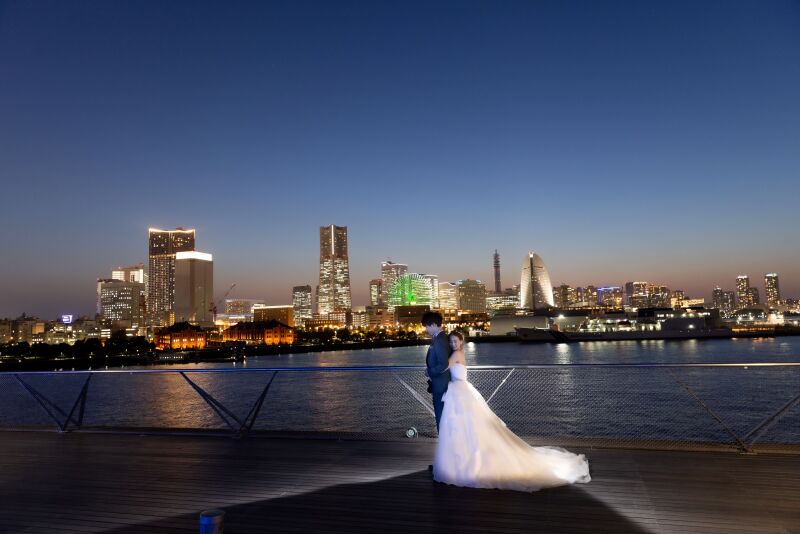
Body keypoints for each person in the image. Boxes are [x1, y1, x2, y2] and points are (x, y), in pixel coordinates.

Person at [433, 331, 591, 492]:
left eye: (455, 341)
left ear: (461, 342)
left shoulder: (456, 354)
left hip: (459, 391)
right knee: (467, 425)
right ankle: (465, 458)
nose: (453, 344)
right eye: (451, 342)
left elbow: (443, 366)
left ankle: (463, 461)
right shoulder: (459, 353)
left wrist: (429, 367)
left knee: (462, 425)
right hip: (461, 390)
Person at [422, 311, 452, 432]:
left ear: (434, 324)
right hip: (441, 382)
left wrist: (430, 372)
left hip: (440, 384)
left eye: (427, 326)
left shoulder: (439, 340)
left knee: (440, 414)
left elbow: (443, 363)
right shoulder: (440, 338)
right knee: (442, 414)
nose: (426, 329)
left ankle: (444, 443)